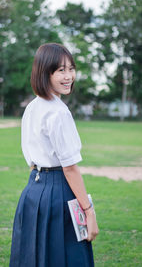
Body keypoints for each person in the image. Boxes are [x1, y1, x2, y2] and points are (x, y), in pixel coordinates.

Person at [9, 43, 99, 267]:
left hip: (32, 190)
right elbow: (69, 167)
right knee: (66, 258)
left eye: (71, 68)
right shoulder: (59, 112)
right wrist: (89, 212)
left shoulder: (32, 107)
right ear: (45, 73)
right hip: (58, 191)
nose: (69, 76)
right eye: (61, 70)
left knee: (33, 258)